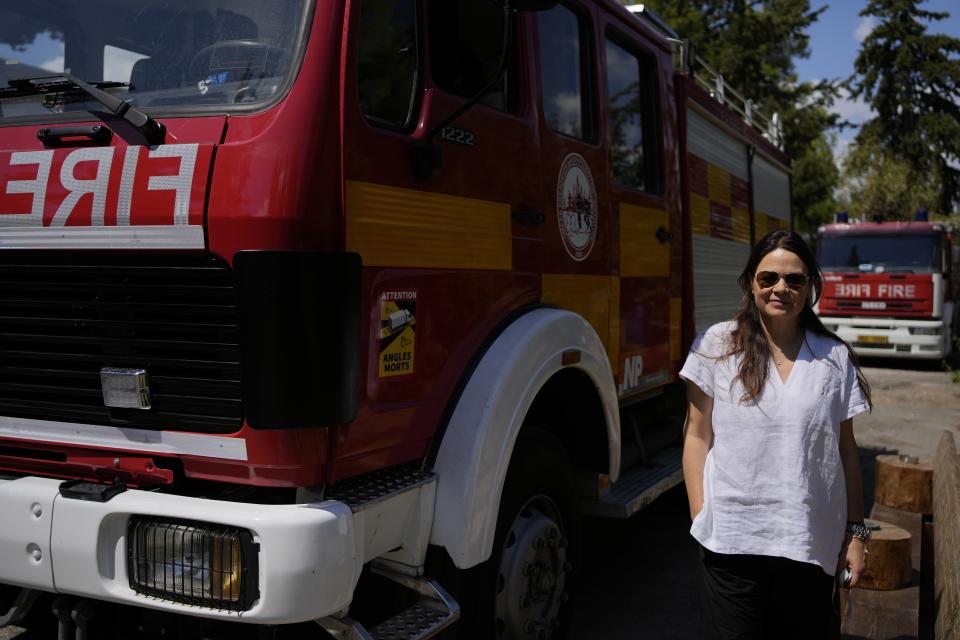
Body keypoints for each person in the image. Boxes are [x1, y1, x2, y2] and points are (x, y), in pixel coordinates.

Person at [680, 230, 872, 639]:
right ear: (751, 283)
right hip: (731, 542)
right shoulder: (716, 345)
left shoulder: (833, 357)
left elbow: (846, 451)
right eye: (768, 278)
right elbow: (696, 436)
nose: (780, 288)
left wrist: (856, 534)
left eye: (794, 280)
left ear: (810, 287)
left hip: (809, 542)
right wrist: (702, 514)